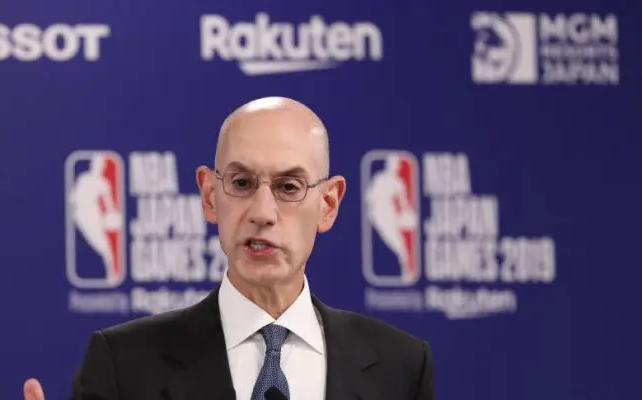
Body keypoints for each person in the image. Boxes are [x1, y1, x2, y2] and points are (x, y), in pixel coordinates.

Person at [23, 96, 434, 400]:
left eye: (289, 187)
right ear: (208, 196)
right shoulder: (123, 366)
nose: (262, 212)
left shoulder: (400, 366)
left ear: (327, 204)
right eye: (241, 184)